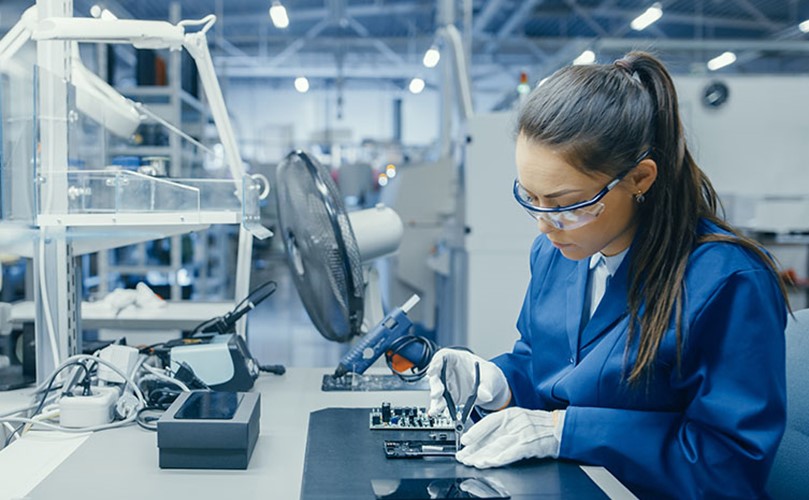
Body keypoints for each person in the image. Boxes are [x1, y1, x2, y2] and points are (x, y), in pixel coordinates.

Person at [427, 51, 789, 499]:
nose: (544, 224)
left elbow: (727, 467)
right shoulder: (555, 254)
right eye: (531, 197)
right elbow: (542, 368)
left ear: (639, 178)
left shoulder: (727, 282)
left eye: (565, 205)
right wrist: (496, 381)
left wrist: (567, 431)